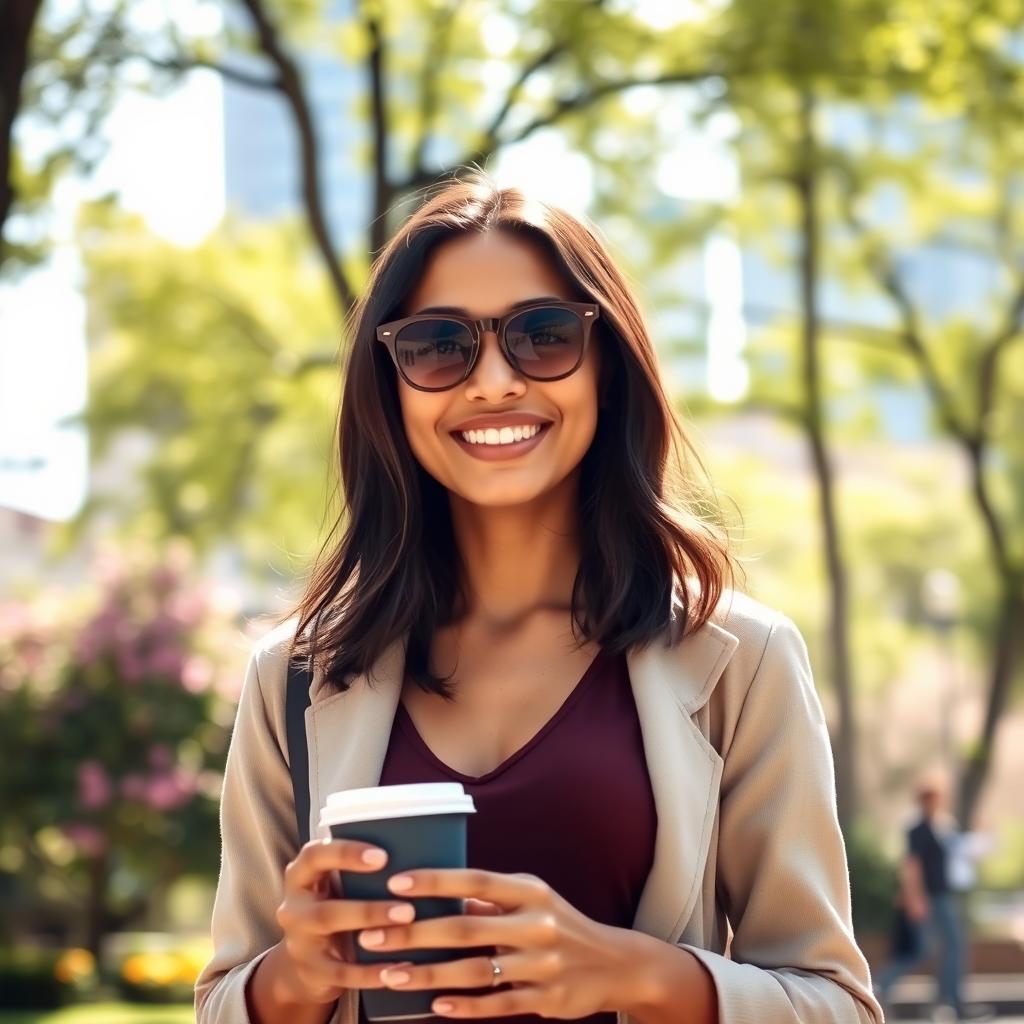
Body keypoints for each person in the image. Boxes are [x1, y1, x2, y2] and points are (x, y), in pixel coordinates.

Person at [194, 171, 883, 1024]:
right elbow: (223, 1000)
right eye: (439, 346)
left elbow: (838, 1006)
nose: (492, 384)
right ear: (392, 387)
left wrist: (636, 974)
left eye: (543, 336)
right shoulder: (294, 675)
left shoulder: (741, 659)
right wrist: (295, 977)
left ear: (606, 367)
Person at [874, 777, 994, 1022]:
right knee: (922, 950)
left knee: (951, 946)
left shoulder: (940, 827)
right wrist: (916, 898)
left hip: (942, 896)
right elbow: (911, 865)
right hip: (930, 898)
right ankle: (879, 988)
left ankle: (949, 1001)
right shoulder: (917, 829)